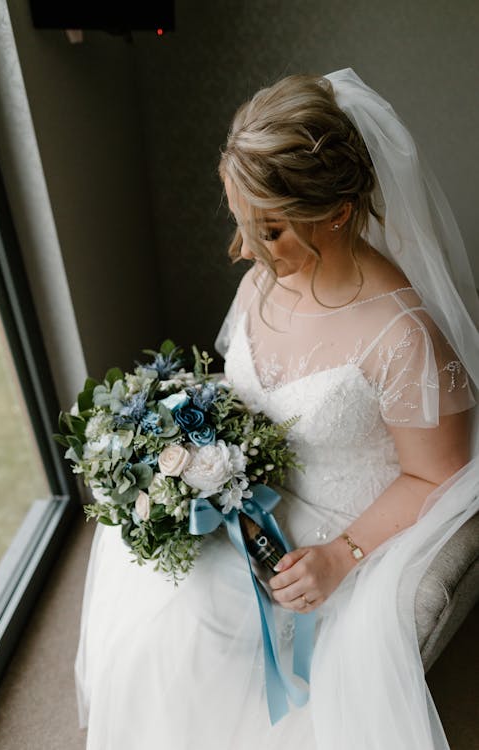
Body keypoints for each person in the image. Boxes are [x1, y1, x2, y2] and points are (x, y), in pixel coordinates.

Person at [75, 69, 479, 750]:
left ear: (338, 213)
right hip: (239, 498)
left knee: (199, 626)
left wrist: (339, 557)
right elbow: (240, 390)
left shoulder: (402, 336)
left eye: (270, 230)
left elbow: (439, 476)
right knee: (143, 583)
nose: (245, 252)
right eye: (240, 224)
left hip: (327, 537)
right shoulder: (265, 280)